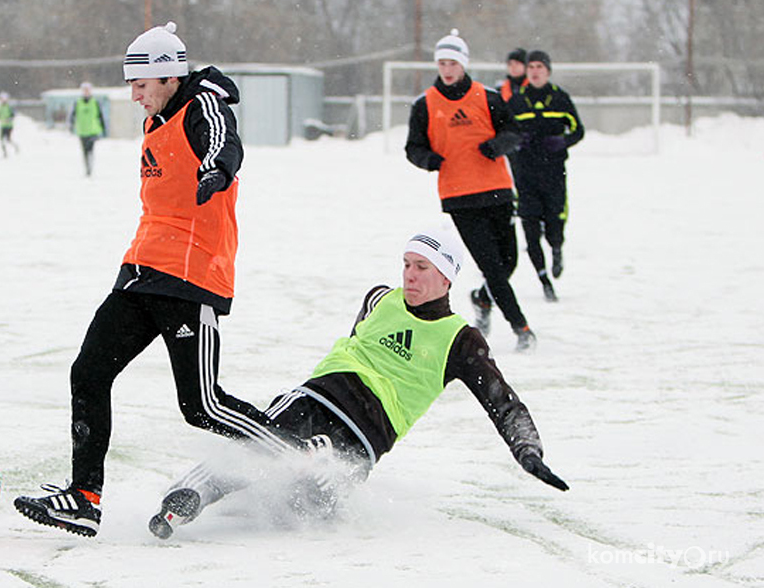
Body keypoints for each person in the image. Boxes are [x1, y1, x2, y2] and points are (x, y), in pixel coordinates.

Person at [14, 21, 302, 537]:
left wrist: (218, 169)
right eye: (131, 84)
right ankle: (83, 497)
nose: (134, 94)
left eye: (140, 83)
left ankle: (297, 462)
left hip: (190, 274)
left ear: (169, 76)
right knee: (89, 372)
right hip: (142, 268)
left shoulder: (201, 107)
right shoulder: (156, 120)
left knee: (201, 405)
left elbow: (222, 142)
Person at [147, 228, 569, 540]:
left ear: (446, 278)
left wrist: (527, 450)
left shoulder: (461, 340)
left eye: (422, 267)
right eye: (406, 264)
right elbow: (352, 349)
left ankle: (310, 460)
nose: (410, 275)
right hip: (318, 399)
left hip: (366, 440)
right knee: (257, 446)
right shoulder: (379, 298)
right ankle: (192, 493)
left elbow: (504, 402)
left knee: (301, 513)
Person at [405, 29, 535, 352]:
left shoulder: (488, 97)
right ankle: (521, 327)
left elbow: (514, 132)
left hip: (498, 191)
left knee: (509, 261)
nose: (447, 69)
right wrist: (429, 159)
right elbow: (413, 147)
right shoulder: (425, 105)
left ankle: (481, 298)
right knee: (492, 266)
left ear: (463, 64)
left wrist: (496, 146)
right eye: (442, 63)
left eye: (452, 63)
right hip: (459, 197)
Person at [509, 50, 584, 301]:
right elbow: (504, 135)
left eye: (540, 66)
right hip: (526, 177)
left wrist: (561, 142)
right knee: (530, 232)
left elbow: (578, 130)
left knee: (554, 227)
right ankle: (544, 280)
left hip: (553, 175)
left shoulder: (560, 98)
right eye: (531, 66)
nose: (535, 71)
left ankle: (557, 248)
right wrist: (518, 142)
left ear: (548, 71)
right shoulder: (517, 101)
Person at [69, 81, 106, 176]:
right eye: (84, 90)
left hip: (93, 131)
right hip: (82, 131)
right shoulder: (77, 103)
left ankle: (90, 168)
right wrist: (71, 126)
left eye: (88, 90)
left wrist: (103, 129)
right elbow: (72, 116)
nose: (86, 92)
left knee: (90, 149)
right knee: (84, 151)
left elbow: (100, 116)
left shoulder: (95, 102)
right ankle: (87, 167)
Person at [0, 92, 18, 158]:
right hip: (3, 125)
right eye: (1, 99)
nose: (3, 100)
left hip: (9, 126)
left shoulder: (9, 106)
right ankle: (5, 153)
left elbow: (13, 115)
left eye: (4, 98)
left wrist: (9, 119)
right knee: (1, 139)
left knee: (8, 139)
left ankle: (15, 147)